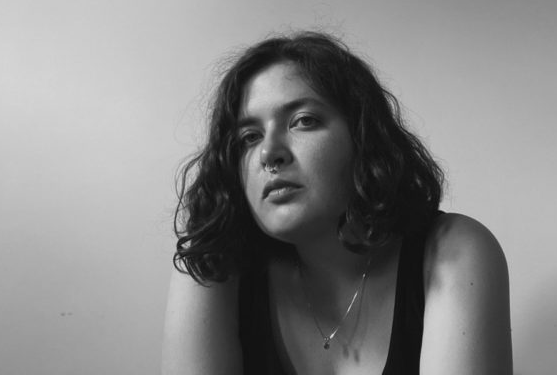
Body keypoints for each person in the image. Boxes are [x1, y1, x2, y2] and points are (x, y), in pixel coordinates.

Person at [162, 31, 512, 375]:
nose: (269, 153)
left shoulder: (452, 250)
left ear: (363, 137)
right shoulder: (213, 261)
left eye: (303, 121)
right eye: (249, 137)